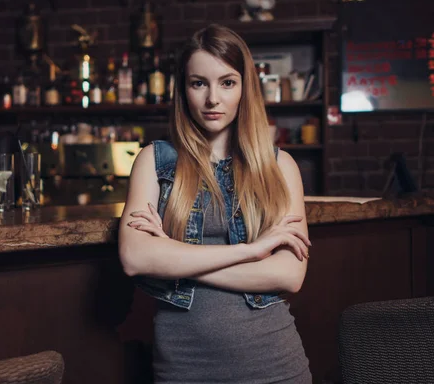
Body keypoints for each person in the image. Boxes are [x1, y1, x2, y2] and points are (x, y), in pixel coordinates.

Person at [118, 24, 312, 383]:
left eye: (227, 82)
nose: (212, 99)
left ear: (244, 88)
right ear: (184, 90)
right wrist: (252, 251)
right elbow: (135, 259)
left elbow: (289, 274)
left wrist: (172, 258)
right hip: (184, 367)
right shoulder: (154, 161)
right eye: (198, 83)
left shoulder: (280, 167)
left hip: (275, 364)